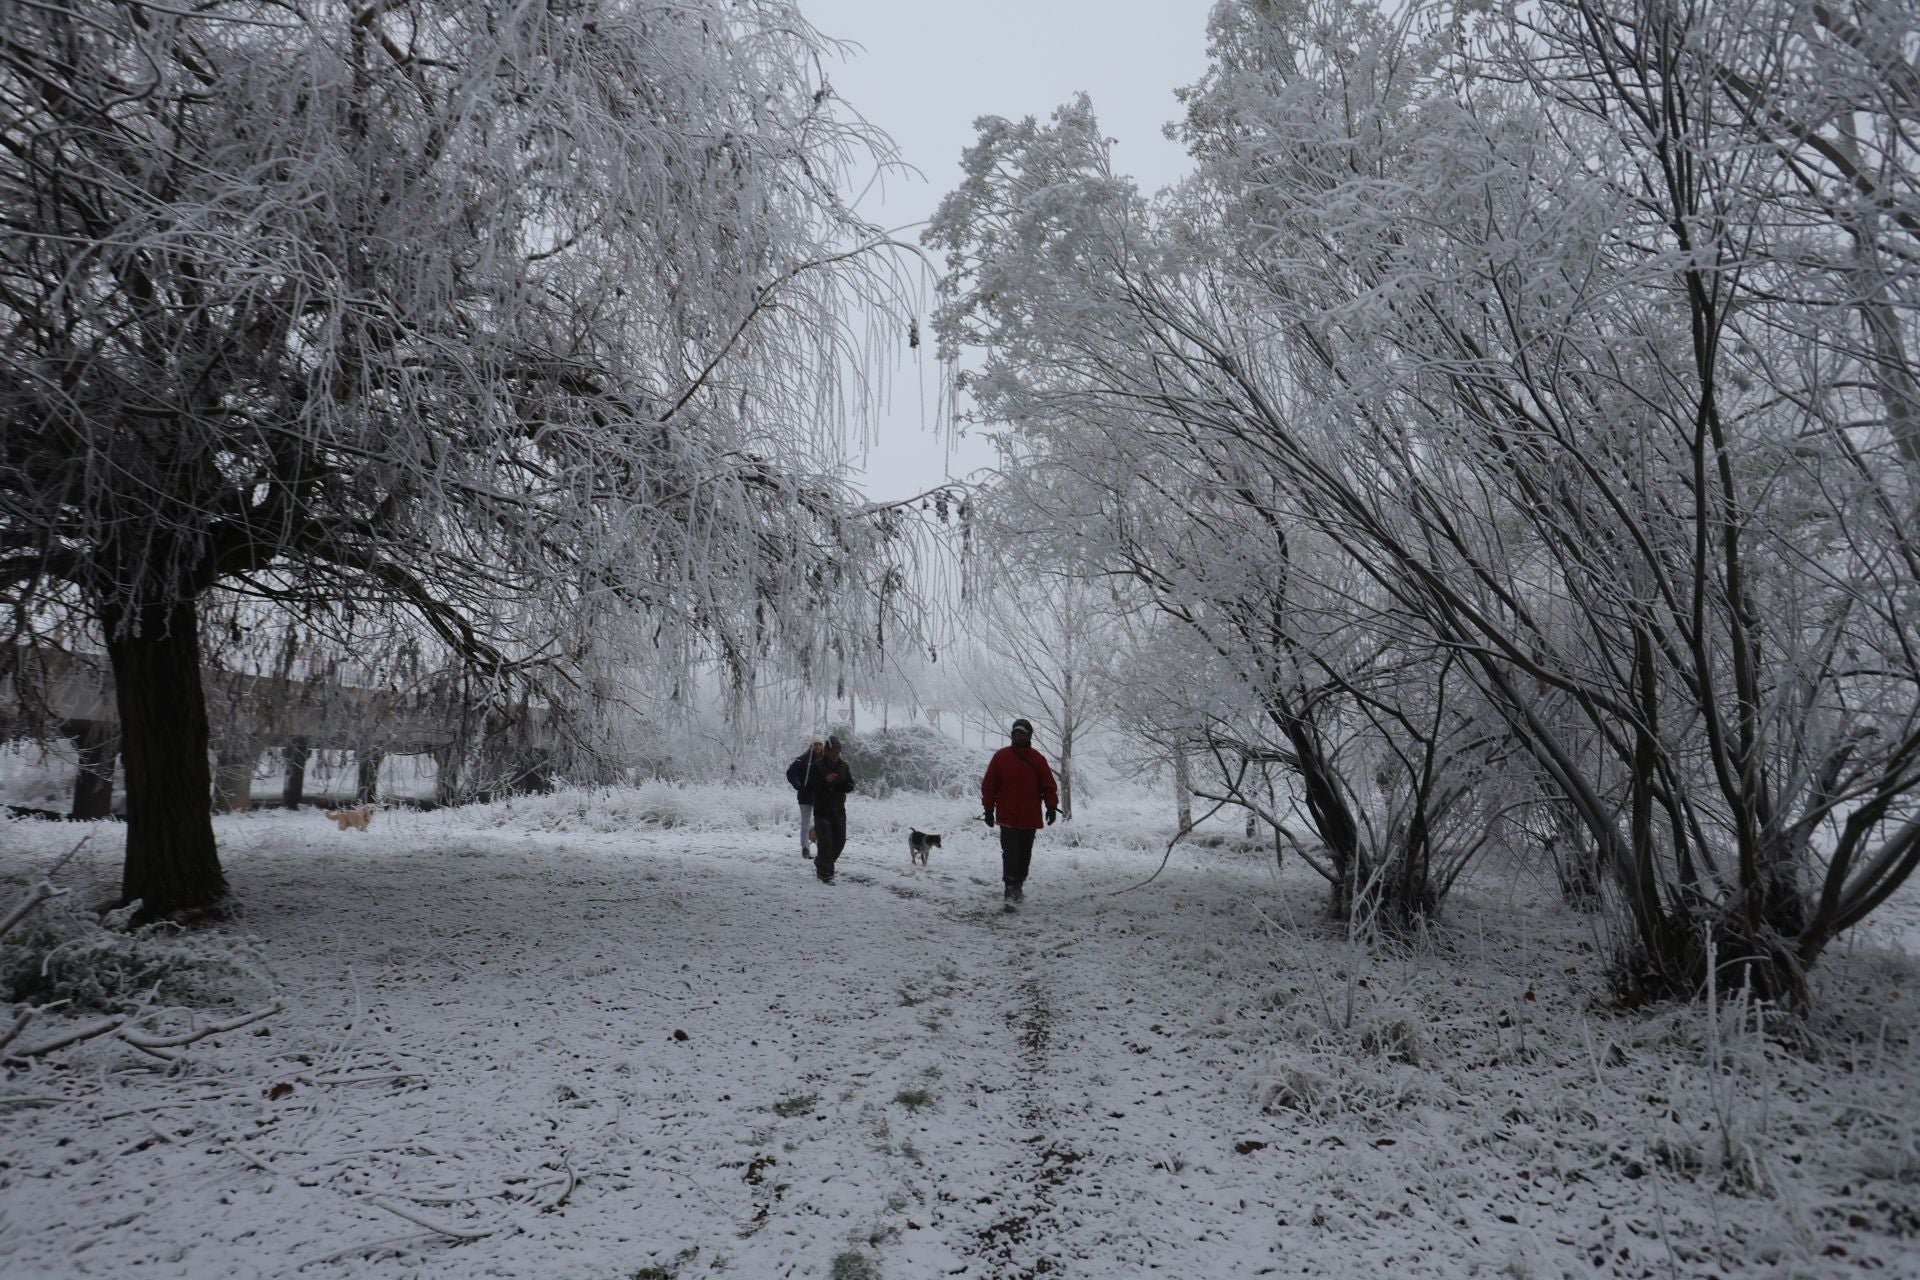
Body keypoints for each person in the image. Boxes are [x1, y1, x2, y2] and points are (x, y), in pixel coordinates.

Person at [981, 718, 1058, 904]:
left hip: (1029, 816)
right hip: (1007, 815)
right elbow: (989, 785)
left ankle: (1019, 883)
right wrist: (989, 809)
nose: (1019, 736)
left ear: (1029, 735)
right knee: (1010, 852)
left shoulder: (1038, 759)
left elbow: (1048, 785)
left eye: (1022, 733)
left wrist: (1051, 806)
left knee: (1024, 853)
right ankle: (1009, 886)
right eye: (1016, 733)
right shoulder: (1000, 757)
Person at [811, 737, 856, 883]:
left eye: (838, 750)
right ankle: (826, 874)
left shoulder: (844, 766)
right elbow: (811, 785)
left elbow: (850, 783)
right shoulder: (817, 765)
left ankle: (821, 862)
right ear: (827, 750)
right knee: (826, 843)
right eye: (833, 750)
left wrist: (846, 785)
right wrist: (826, 781)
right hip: (822, 810)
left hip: (838, 810)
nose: (836, 753)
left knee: (840, 841)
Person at [785, 739, 825, 859]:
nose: (817, 747)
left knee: (821, 823)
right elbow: (790, 772)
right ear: (811, 746)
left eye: (820, 744)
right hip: (805, 795)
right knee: (805, 823)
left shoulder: (826, 760)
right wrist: (798, 785)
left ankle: (821, 846)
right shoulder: (803, 759)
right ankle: (805, 847)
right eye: (815, 744)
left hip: (821, 797)